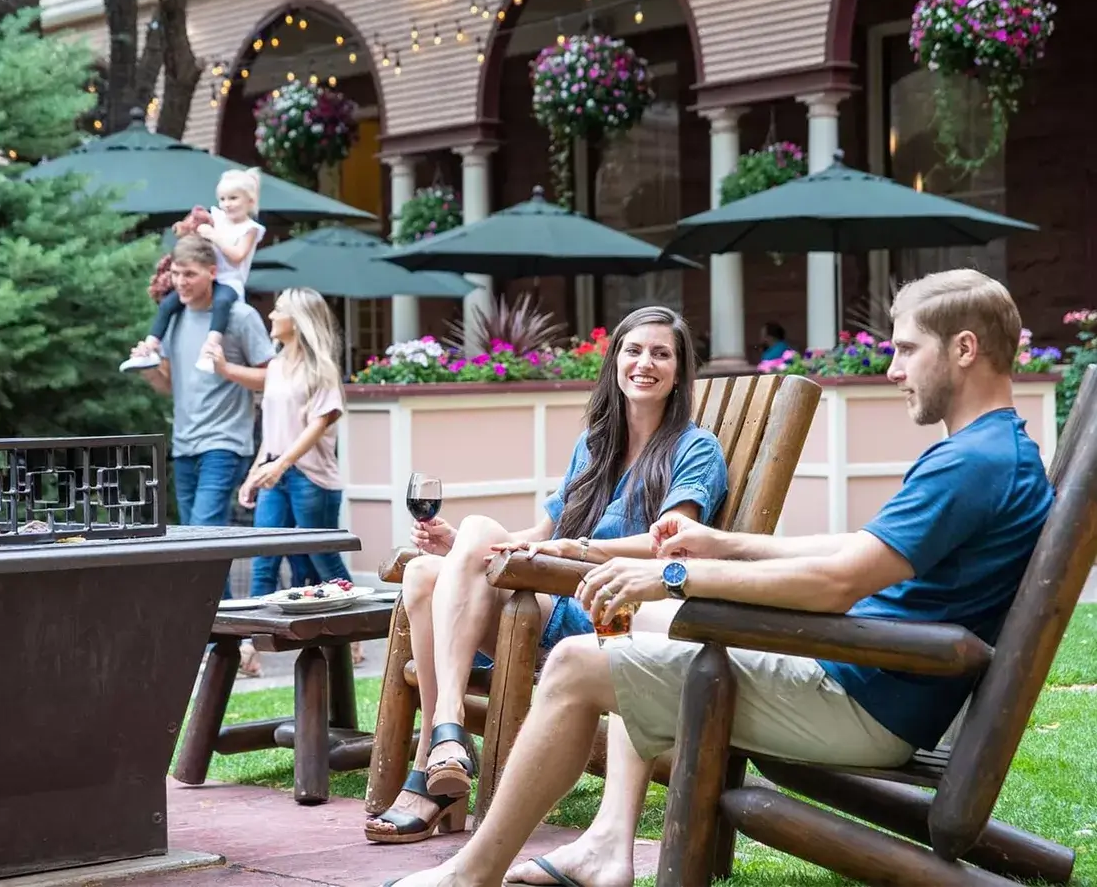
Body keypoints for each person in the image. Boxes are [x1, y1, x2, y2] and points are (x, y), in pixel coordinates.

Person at [385, 268, 1052, 887]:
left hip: (863, 691)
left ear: (964, 348)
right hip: (869, 669)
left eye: (907, 349)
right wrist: (724, 544)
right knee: (632, 624)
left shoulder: (969, 465)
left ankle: (469, 873)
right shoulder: (995, 453)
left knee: (573, 662)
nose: (893, 367)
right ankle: (609, 841)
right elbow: (856, 549)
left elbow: (836, 584)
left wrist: (675, 575)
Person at [364, 305, 729, 845]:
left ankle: (439, 755)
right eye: (634, 350)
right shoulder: (596, 444)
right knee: (424, 570)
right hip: (551, 603)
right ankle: (445, 744)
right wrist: (460, 546)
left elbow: (671, 540)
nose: (645, 363)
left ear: (679, 371)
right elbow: (539, 532)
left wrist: (578, 547)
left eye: (661, 354)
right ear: (615, 361)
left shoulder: (695, 449)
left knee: (461, 546)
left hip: (609, 614)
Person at [207, 287, 365, 668]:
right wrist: (256, 472)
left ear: (297, 321)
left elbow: (318, 425)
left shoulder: (321, 369)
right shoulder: (276, 367)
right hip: (277, 471)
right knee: (263, 559)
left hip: (312, 479)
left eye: (278, 310)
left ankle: (355, 635)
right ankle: (249, 651)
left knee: (321, 561)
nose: (271, 315)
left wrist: (280, 466)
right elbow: (273, 430)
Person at [132, 233, 275, 602]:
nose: (181, 281)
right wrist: (147, 369)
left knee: (201, 535)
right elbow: (169, 387)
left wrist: (226, 370)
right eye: (177, 273)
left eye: (190, 274)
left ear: (212, 272)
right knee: (200, 542)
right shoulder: (174, 318)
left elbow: (272, 376)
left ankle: (211, 644)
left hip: (225, 442)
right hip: (184, 443)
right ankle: (221, 634)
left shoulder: (240, 316)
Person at [123, 167, 267, 374]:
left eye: (233, 198)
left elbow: (237, 255)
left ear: (250, 201)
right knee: (168, 304)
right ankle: (149, 347)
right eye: (223, 199)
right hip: (206, 277)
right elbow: (195, 224)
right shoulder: (217, 217)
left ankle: (210, 348)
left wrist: (214, 236)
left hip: (228, 280)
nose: (227, 204)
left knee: (222, 303)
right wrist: (186, 229)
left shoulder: (250, 229)